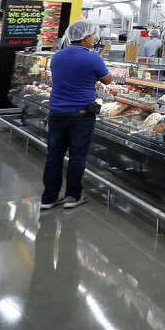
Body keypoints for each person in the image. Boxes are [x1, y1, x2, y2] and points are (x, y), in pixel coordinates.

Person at [41, 20, 112, 210]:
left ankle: (48, 198)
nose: (95, 39)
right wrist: (91, 80)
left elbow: (63, 78)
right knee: (77, 156)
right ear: (85, 37)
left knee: (54, 156)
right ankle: (72, 196)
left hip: (56, 112)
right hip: (81, 115)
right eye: (93, 35)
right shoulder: (93, 58)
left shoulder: (57, 56)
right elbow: (108, 79)